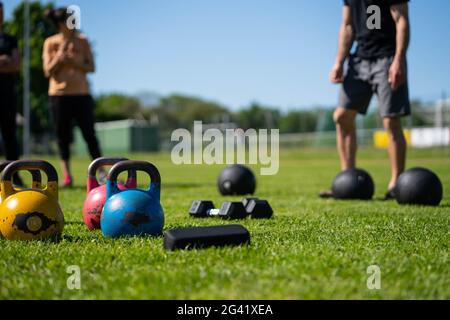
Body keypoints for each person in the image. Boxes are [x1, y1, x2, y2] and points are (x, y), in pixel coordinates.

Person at [324, 0, 410, 199]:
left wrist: (399, 60)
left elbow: (401, 20)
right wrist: (339, 61)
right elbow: (347, 26)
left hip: (387, 58)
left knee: (391, 120)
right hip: (359, 60)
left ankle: (396, 184)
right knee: (341, 117)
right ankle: (346, 180)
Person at [43, 8, 103, 187]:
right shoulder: (50, 42)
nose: (75, 23)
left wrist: (73, 62)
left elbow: (91, 67)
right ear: (61, 24)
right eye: (71, 20)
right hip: (59, 96)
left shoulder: (83, 41)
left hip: (82, 94)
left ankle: (102, 174)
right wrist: (60, 58)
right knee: (63, 137)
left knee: (90, 135)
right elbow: (48, 70)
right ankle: (67, 176)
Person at [0, 1, 23, 185]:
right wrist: (4, 60)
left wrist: (8, 62)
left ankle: (13, 174)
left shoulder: (9, 39)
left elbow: (16, 65)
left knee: (10, 134)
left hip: (7, 94)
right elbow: (9, 62)